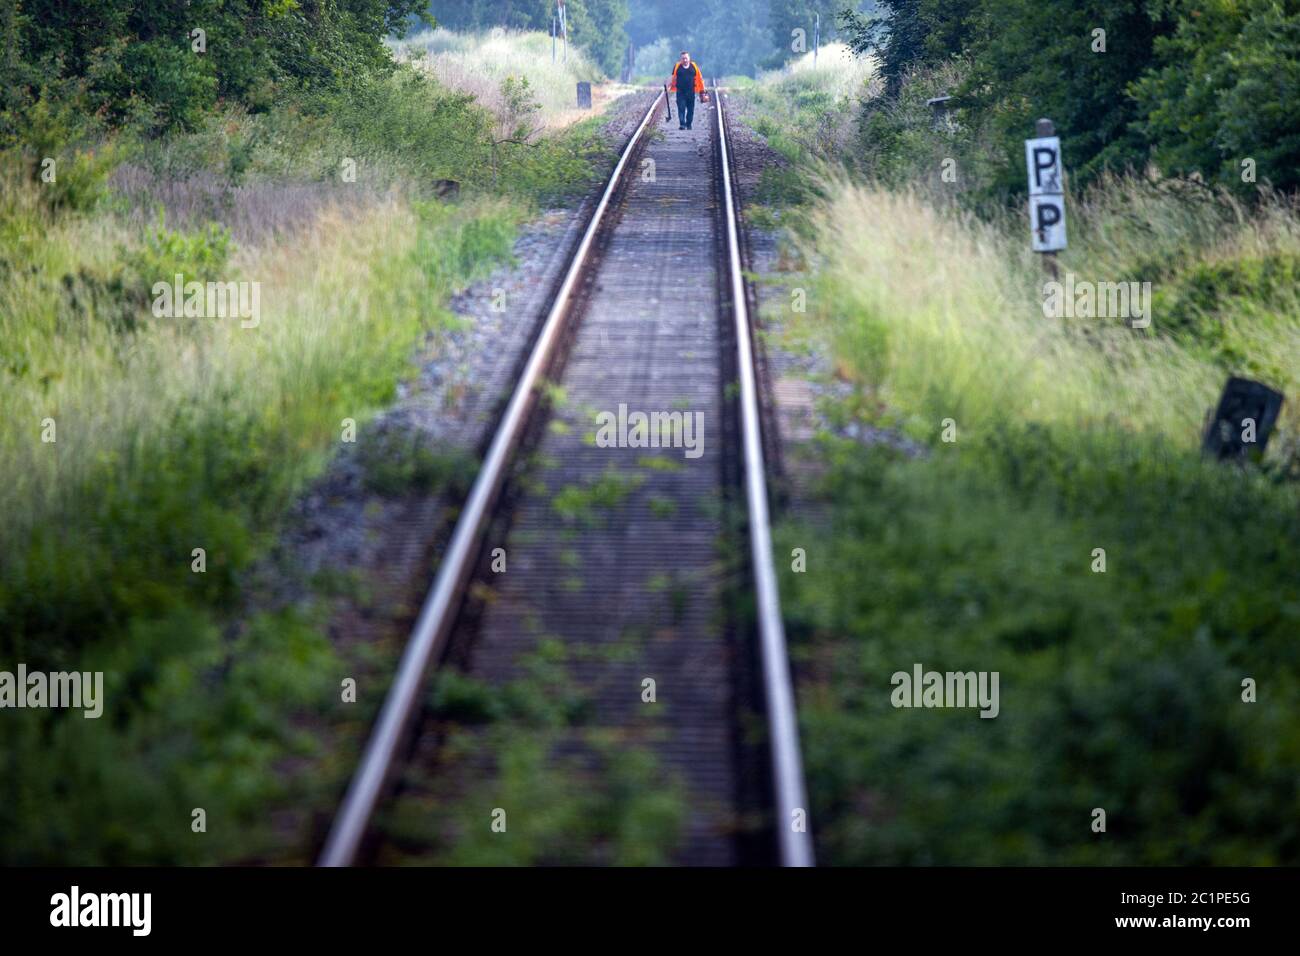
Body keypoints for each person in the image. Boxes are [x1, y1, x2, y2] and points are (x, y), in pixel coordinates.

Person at [668, 51, 707, 131]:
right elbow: (673, 77)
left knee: (690, 109)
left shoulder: (694, 66)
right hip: (680, 92)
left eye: (686, 58)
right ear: (681, 59)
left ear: (689, 58)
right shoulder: (677, 66)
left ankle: (689, 124)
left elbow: (700, 79)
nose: (685, 60)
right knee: (681, 107)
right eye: (683, 59)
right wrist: (668, 85)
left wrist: (702, 91)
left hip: (691, 92)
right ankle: (682, 124)